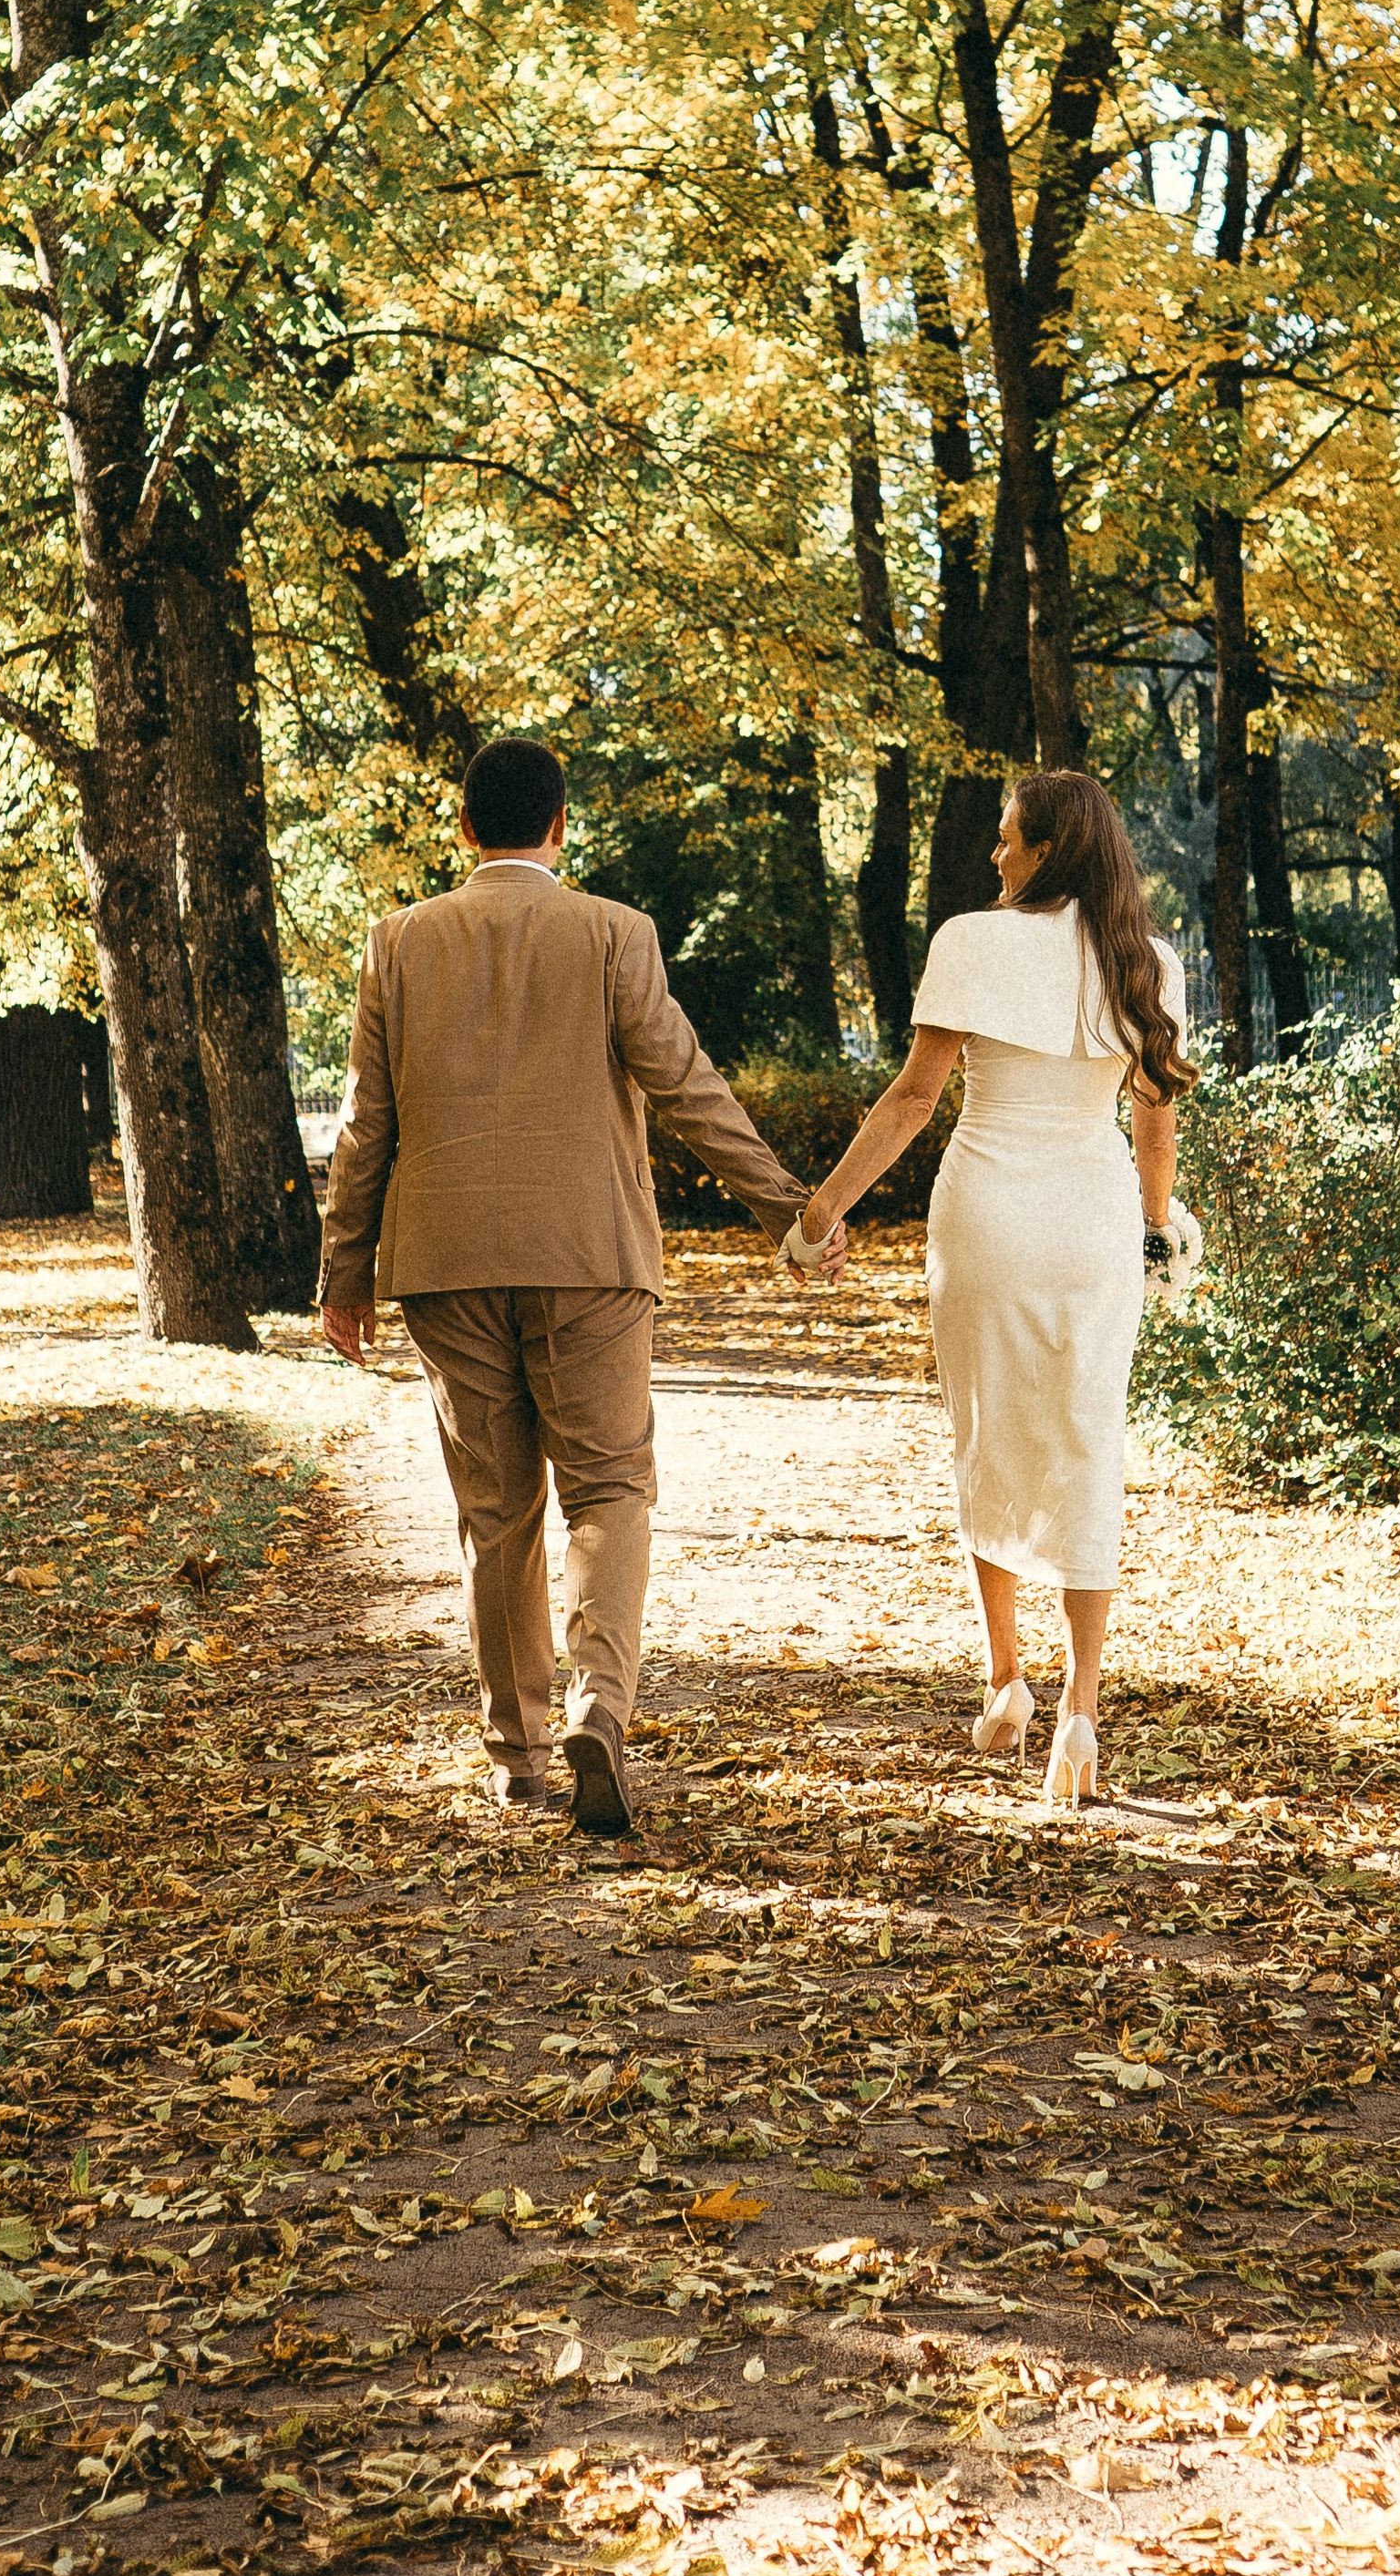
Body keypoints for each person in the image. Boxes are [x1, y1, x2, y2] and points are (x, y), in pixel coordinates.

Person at [318, 734, 847, 1836]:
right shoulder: (615, 933)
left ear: (466, 828)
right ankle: (600, 1708)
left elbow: (367, 1121)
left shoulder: (397, 942)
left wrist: (344, 1270)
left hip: (446, 1264)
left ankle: (516, 1758)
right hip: (590, 1258)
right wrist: (788, 1211)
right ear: (561, 825)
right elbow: (685, 1084)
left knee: (495, 1513)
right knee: (607, 1488)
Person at [785, 768, 1195, 1806]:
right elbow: (1153, 1119)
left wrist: (820, 1212)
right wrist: (1155, 1227)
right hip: (1093, 1218)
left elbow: (913, 1100)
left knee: (987, 1428)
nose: (995, 854)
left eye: (1009, 837)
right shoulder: (1148, 962)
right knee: (1088, 1437)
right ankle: (1081, 1712)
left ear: (1048, 850)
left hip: (988, 1214)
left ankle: (1006, 1676)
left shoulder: (970, 940)